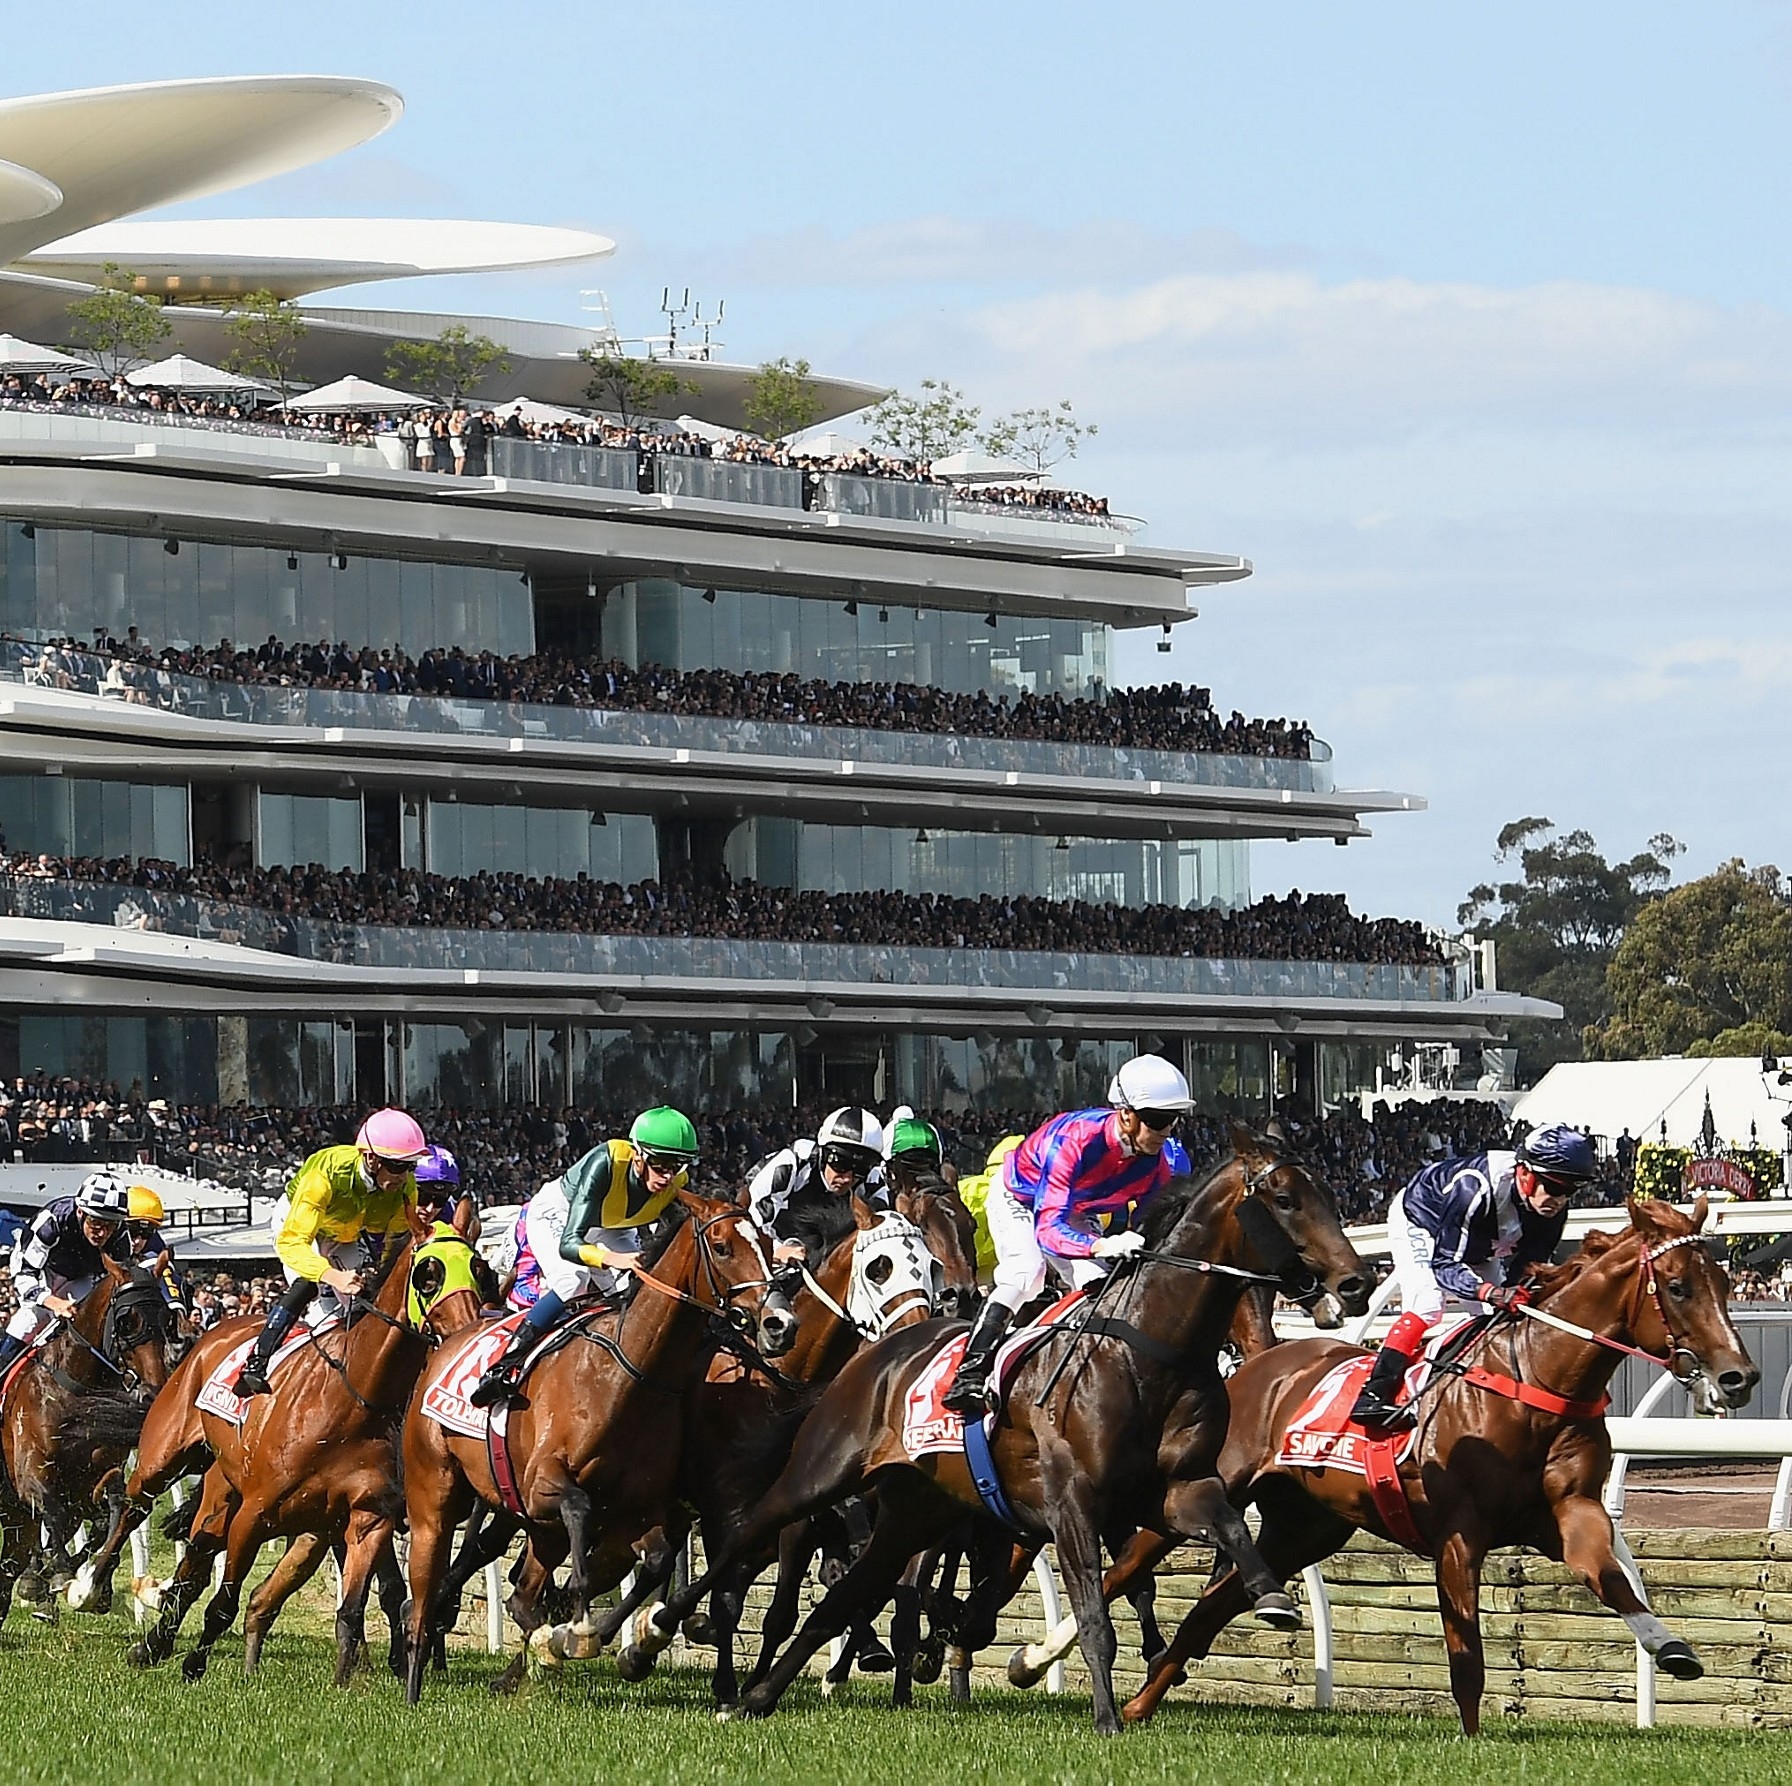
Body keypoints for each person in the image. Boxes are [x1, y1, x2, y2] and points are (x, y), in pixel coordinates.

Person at [941, 1056, 1195, 1415]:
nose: (1165, 1130)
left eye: (1173, 1120)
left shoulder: (1157, 1165)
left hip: (1073, 1207)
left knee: (1100, 1285)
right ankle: (970, 1370)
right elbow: (1047, 1230)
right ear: (1125, 1113)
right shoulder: (1075, 1140)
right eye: (1156, 1120)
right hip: (1020, 1196)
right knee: (1027, 1273)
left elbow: (1155, 1231)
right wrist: (1101, 1244)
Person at [1349, 1123, 1598, 1431]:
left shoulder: (1551, 1210)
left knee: (1498, 1318)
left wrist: (1510, 1295)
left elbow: (1529, 1269)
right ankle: (1374, 1393)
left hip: (1482, 1235)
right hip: (1424, 1219)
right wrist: (1491, 1292)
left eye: (1571, 1191)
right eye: (1555, 1187)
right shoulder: (1474, 1188)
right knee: (1428, 1305)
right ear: (1525, 1174)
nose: (1560, 1199)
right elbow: (1444, 1265)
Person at [470, 1106, 699, 1407]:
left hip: (610, 1225)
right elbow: (570, 1243)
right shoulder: (605, 1162)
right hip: (560, 1216)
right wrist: (613, 1259)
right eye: (660, 1165)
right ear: (638, 1155)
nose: (668, 1176)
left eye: (677, 1166)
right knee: (572, 1280)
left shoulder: (674, 1183)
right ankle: (504, 1367)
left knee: (632, 1293)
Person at [234, 1108, 429, 1396]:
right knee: (308, 1281)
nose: (405, 1176)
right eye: (398, 1167)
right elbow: (294, 1244)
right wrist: (331, 1276)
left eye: (411, 1166)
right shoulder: (324, 1175)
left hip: (344, 1231)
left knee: (364, 1300)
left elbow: (396, 1243)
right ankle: (256, 1363)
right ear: (371, 1159)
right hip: (299, 1225)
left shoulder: (404, 1187)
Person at [0, 1171, 135, 1373]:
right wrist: (53, 1302)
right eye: (96, 1222)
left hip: (82, 1276)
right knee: (31, 1320)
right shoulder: (52, 1220)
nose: (102, 1233)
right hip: (41, 1269)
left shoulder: (122, 1241)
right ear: (80, 1212)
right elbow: (24, 1275)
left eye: (111, 1225)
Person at [746, 1107, 885, 1266]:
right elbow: (752, 1220)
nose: (848, 1178)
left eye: (860, 1168)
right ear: (823, 1154)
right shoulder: (792, 1163)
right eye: (840, 1164)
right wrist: (776, 1249)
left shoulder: (872, 1178)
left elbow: (885, 1224)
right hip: (774, 1248)